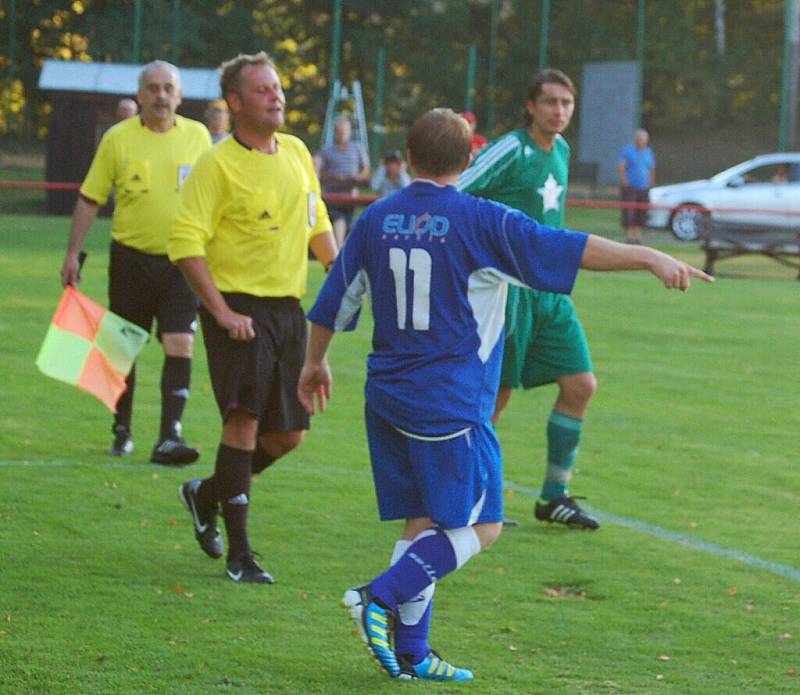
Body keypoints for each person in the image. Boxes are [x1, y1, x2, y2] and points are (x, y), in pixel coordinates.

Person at [297, 108, 710, 681]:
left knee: (422, 523)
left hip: (387, 399)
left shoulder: (376, 218)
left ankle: (414, 655)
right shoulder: (480, 219)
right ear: (469, 161)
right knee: (482, 525)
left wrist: (313, 364)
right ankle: (379, 594)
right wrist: (649, 254)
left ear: (408, 157)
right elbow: (569, 246)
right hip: (449, 403)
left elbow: (335, 302)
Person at [168, 52, 336, 585]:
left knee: (288, 436)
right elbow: (185, 243)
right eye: (263, 90)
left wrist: (341, 269)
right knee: (242, 423)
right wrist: (219, 311)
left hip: (290, 310)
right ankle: (241, 556)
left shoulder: (297, 152)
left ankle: (207, 492)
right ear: (235, 103)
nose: (277, 97)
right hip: (238, 309)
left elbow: (318, 222)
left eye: (278, 87)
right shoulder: (216, 164)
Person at [459, 68, 603, 529]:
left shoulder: (560, 150)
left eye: (566, 103)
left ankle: (553, 496)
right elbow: (458, 191)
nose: (559, 111)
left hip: (551, 293)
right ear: (531, 106)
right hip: (507, 293)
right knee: (494, 400)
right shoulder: (510, 149)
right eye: (550, 102)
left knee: (580, 385)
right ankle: (469, 498)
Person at [60, 60, 211, 464]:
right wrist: (73, 253)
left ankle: (169, 436)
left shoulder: (199, 138)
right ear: (140, 93)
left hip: (183, 260)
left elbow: (219, 199)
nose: (161, 95)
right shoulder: (118, 139)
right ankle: (122, 430)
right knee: (123, 347)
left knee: (181, 342)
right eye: (153, 88)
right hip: (130, 259)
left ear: (179, 96)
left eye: (168, 88)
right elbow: (90, 198)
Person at [315, 116, 370, 248]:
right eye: (339, 131)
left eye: (344, 131)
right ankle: (338, 249)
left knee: (347, 222)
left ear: (349, 131)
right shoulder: (327, 151)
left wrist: (354, 178)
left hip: (351, 194)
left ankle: (342, 249)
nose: (342, 134)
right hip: (333, 195)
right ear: (335, 132)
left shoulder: (357, 149)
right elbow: (318, 171)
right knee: (338, 219)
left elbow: (365, 170)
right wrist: (334, 177)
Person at [618, 128, 656, 244]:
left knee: (642, 212)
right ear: (635, 139)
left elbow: (651, 169)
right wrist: (625, 181)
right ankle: (628, 236)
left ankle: (638, 235)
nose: (641, 141)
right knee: (629, 211)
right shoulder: (627, 151)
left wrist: (651, 182)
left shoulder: (649, 152)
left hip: (644, 187)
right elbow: (622, 167)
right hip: (631, 187)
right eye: (639, 138)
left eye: (643, 139)